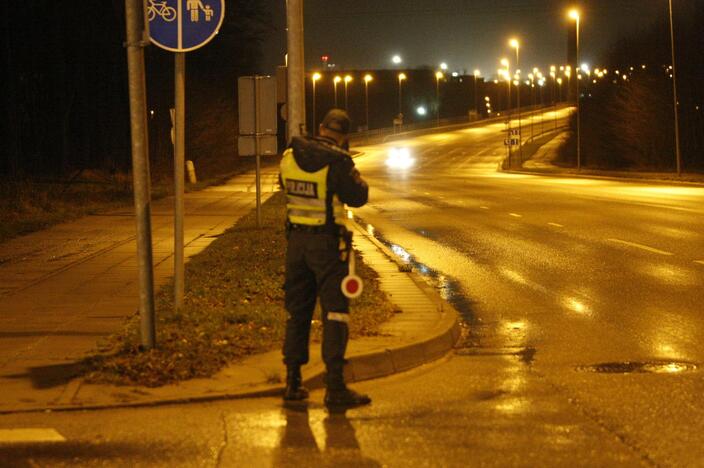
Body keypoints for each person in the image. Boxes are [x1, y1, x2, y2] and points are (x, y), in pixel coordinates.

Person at [280, 109, 371, 408]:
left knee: (298, 312)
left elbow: (285, 187)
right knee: (335, 312)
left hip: (296, 244)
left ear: (320, 127)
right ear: (344, 137)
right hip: (328, 246)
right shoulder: (338, 161)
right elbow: (358, 196)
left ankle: (293, 382)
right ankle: (335, 387)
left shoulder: (290, 155)